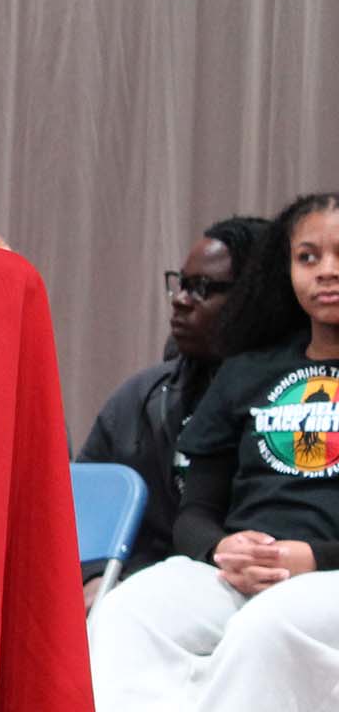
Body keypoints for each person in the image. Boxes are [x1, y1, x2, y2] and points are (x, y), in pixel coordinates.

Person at [88, 193, 339, 710]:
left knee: (268, 629)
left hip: (326, 573)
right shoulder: (246, 371)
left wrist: (312, 557)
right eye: (308, 257)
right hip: (236, 570)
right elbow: (196, 511)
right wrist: (220, 549)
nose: (326, 272)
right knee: (129, 611)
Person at [76, 216, 268, 606]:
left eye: (201, 289)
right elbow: (80, 512)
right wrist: (94, 577)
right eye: (181, 284)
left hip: (253, 587)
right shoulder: (140, 396)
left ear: (254, 296)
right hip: (141, 589)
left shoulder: (291, 397)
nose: (181, 299)